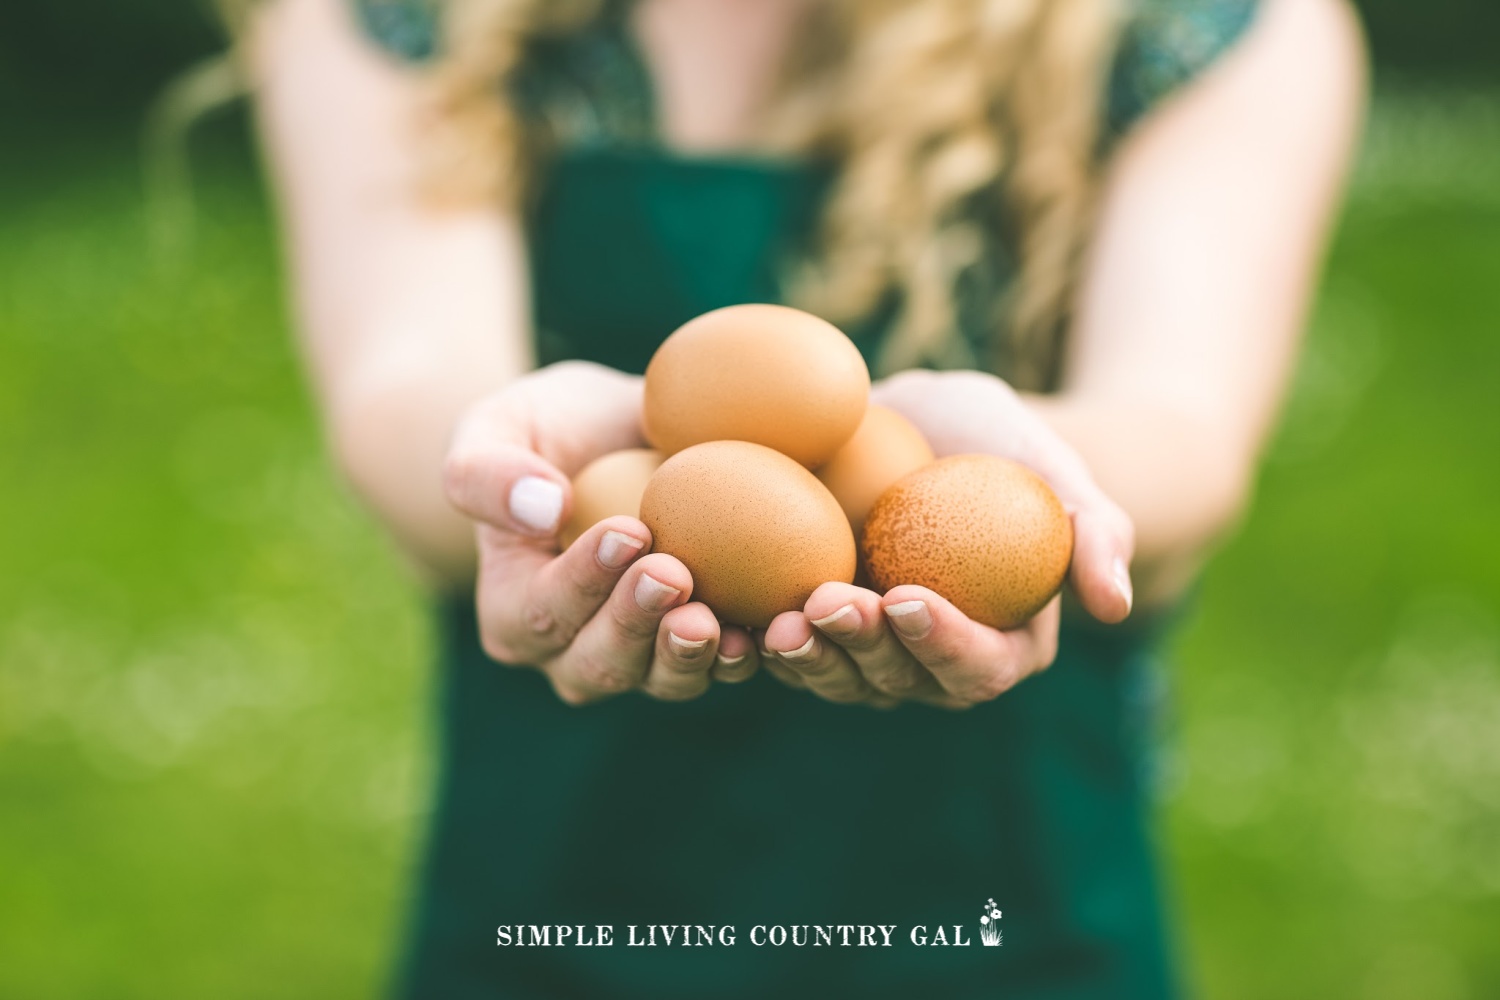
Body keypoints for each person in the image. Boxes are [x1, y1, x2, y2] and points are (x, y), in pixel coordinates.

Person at [243, 0, 1363, 994]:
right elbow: (402, 388)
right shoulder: (416, 21)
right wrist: (525, 473)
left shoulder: (1192, 28)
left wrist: (1003, 485)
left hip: (1002, 889)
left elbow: (1182, 429)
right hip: (567, 876)